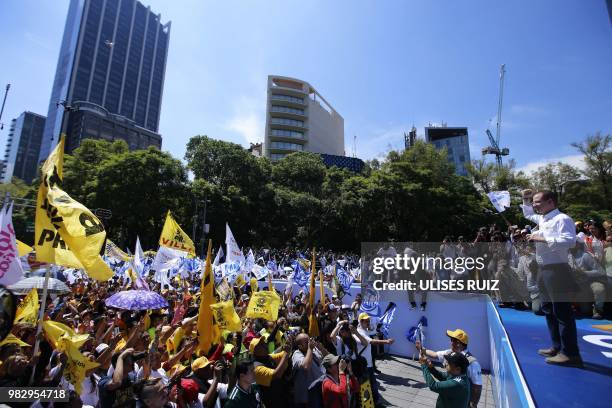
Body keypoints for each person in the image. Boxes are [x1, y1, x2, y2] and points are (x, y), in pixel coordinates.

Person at [521, 189, 582, 366]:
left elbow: (570, 241)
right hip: (543, 269)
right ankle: (557, 346)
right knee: (548, 309)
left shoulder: (562, 219)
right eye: (532, 201)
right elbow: (528, 214)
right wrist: (525, 198)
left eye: (537, 201)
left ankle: (571, 353)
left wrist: (540, 237)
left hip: (557, 270)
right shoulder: (543, 218)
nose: (534, 205)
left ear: (551, 202)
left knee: (563, 312)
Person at [417, 329, 482, 408]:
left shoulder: (473, 363)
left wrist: (473, 404)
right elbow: (435, 356)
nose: (450, 342)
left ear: (458, 344)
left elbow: (477, 387)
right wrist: (422, 350)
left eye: (452, 340)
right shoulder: (450, 353)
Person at [356, 312, 395, 408]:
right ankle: (369, 404)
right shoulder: (359, 332)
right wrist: (386, 341)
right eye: (366, 321)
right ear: (360, 322)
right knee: (367, 386)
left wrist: (372, 326)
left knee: (372, 386)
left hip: (368, 364)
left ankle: (375, 403)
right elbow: (372, 341)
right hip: (363, 365)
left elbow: (372, 329)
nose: (368, 322)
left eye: (368, 320)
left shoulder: (365, 330)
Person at [292, 333, 326, 407]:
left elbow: (328, 358)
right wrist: (310, 348)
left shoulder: (314, 350)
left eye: (310, 339)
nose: (310, 342)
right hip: (309, 396)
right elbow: (305, 366)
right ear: (300, 346)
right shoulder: (296, 354)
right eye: (306, 342)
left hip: (322, 389)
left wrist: (322, 349)